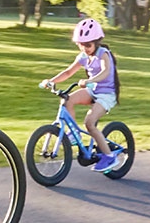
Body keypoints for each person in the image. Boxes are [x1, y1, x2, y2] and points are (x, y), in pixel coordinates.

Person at [39, 19, 123, 172]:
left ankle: (109, 157)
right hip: (93, 90)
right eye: (81, 45)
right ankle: (74, 133)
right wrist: (51, 81)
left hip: (106, 94)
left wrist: (90, 80)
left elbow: (105, 71)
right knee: (67, 100)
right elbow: (68, 72)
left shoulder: (103, 54)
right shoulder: (83, 56)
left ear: (97, 42)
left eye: (88, 45)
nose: (85, 48)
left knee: (89, 123)